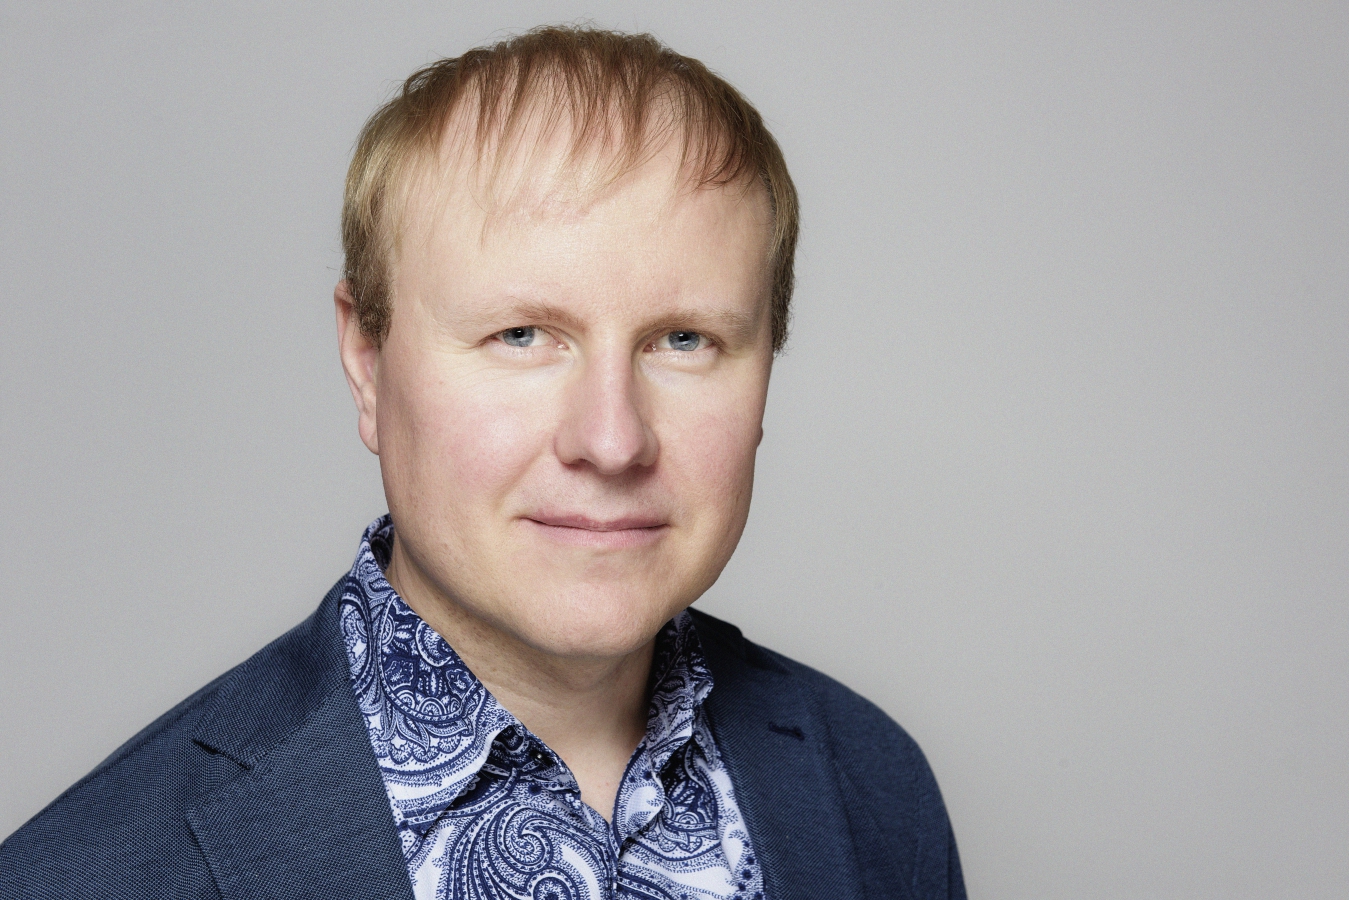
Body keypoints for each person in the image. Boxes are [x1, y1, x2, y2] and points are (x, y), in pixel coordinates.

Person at [1, 26, 965, 900]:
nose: (612, 440)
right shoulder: (86, 878)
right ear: (367, 361)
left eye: (684, 339)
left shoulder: (871, 783)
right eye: (521, 335)